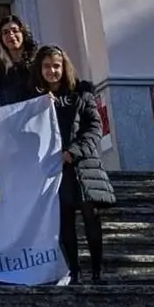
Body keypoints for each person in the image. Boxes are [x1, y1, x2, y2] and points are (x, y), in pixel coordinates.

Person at [32, 46, 115, 285]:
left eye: (56, 66)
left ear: (64, 67)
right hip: (54, 169)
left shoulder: (82, 95)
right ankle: (74, 271)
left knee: (91, 219)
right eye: (47, 66)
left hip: (84, 167)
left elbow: (93, 128)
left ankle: (97, 271)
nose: (52, 71)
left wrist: (74, 151)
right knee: (65, 222)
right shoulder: (37, 100)